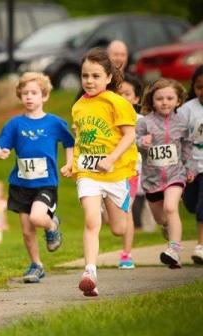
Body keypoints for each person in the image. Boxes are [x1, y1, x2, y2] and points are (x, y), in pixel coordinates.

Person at [0, 72, 74, 283]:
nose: (29, 97)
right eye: (25, 93)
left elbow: (70, 142)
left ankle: (52, 225)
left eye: (34, 93)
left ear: (44, 96)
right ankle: (36, 265)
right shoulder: (15, 124)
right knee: (27, 230)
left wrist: (70, 162)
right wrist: (0, 152)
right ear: (20, 96)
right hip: (21, 184)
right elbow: (0, 145)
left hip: (45, 184)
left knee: (37, 218)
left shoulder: (54, 123)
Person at [72, 48, 138, 297]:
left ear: (109, 77)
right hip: (89, 174)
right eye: (85, 76)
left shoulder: (117, 102)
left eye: (96, 76)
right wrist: (73, 164)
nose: (89, 81)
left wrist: (111, 159)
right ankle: (90, 272)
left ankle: (110, 205)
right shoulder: (78, 106)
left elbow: (130, 135)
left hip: (116, 173)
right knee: (91, 220)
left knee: (119, 229)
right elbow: (81, 139)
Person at [137, 78, 193, 268]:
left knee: (171, 208)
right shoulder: (145, 123)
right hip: (151, 179)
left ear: (178, 101)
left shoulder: (182, 123)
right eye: (160, 98)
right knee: (162, 218)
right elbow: (133, 142)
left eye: (170, 98)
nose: (165, 102)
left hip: (174, 175)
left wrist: (190, 167)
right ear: (152, 100)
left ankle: (174, 250)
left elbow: (187, 145)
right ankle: (168, 229)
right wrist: (141, 142)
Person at [115, 73, 145, 269]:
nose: (122, 97)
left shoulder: (141, 121)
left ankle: (126, 254)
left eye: (127, 94)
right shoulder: (107, 117)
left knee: (126, 211)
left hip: (131, 171)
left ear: (136, 98)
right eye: (119, 93)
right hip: (106, 171)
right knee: (113, 219)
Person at [179, 65, 203, 264]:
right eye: (199, 87)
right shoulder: (188, 109)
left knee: (202, 207)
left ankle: (200, 246)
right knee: (190, 204)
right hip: (191, 167)